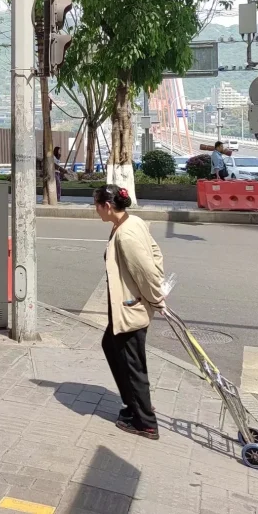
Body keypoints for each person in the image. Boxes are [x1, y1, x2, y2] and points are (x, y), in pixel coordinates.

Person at [93, 184, 165, 440]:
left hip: (130, 307)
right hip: (125, 304)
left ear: (107, 206)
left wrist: (156, 297)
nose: (95, 210)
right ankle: (135, 404)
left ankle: (146, 422)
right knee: (111, 346)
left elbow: (145, 270)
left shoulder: (126, 235)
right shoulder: (131, 222)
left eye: (96, 205)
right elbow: (155, 252)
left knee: (132, 363)